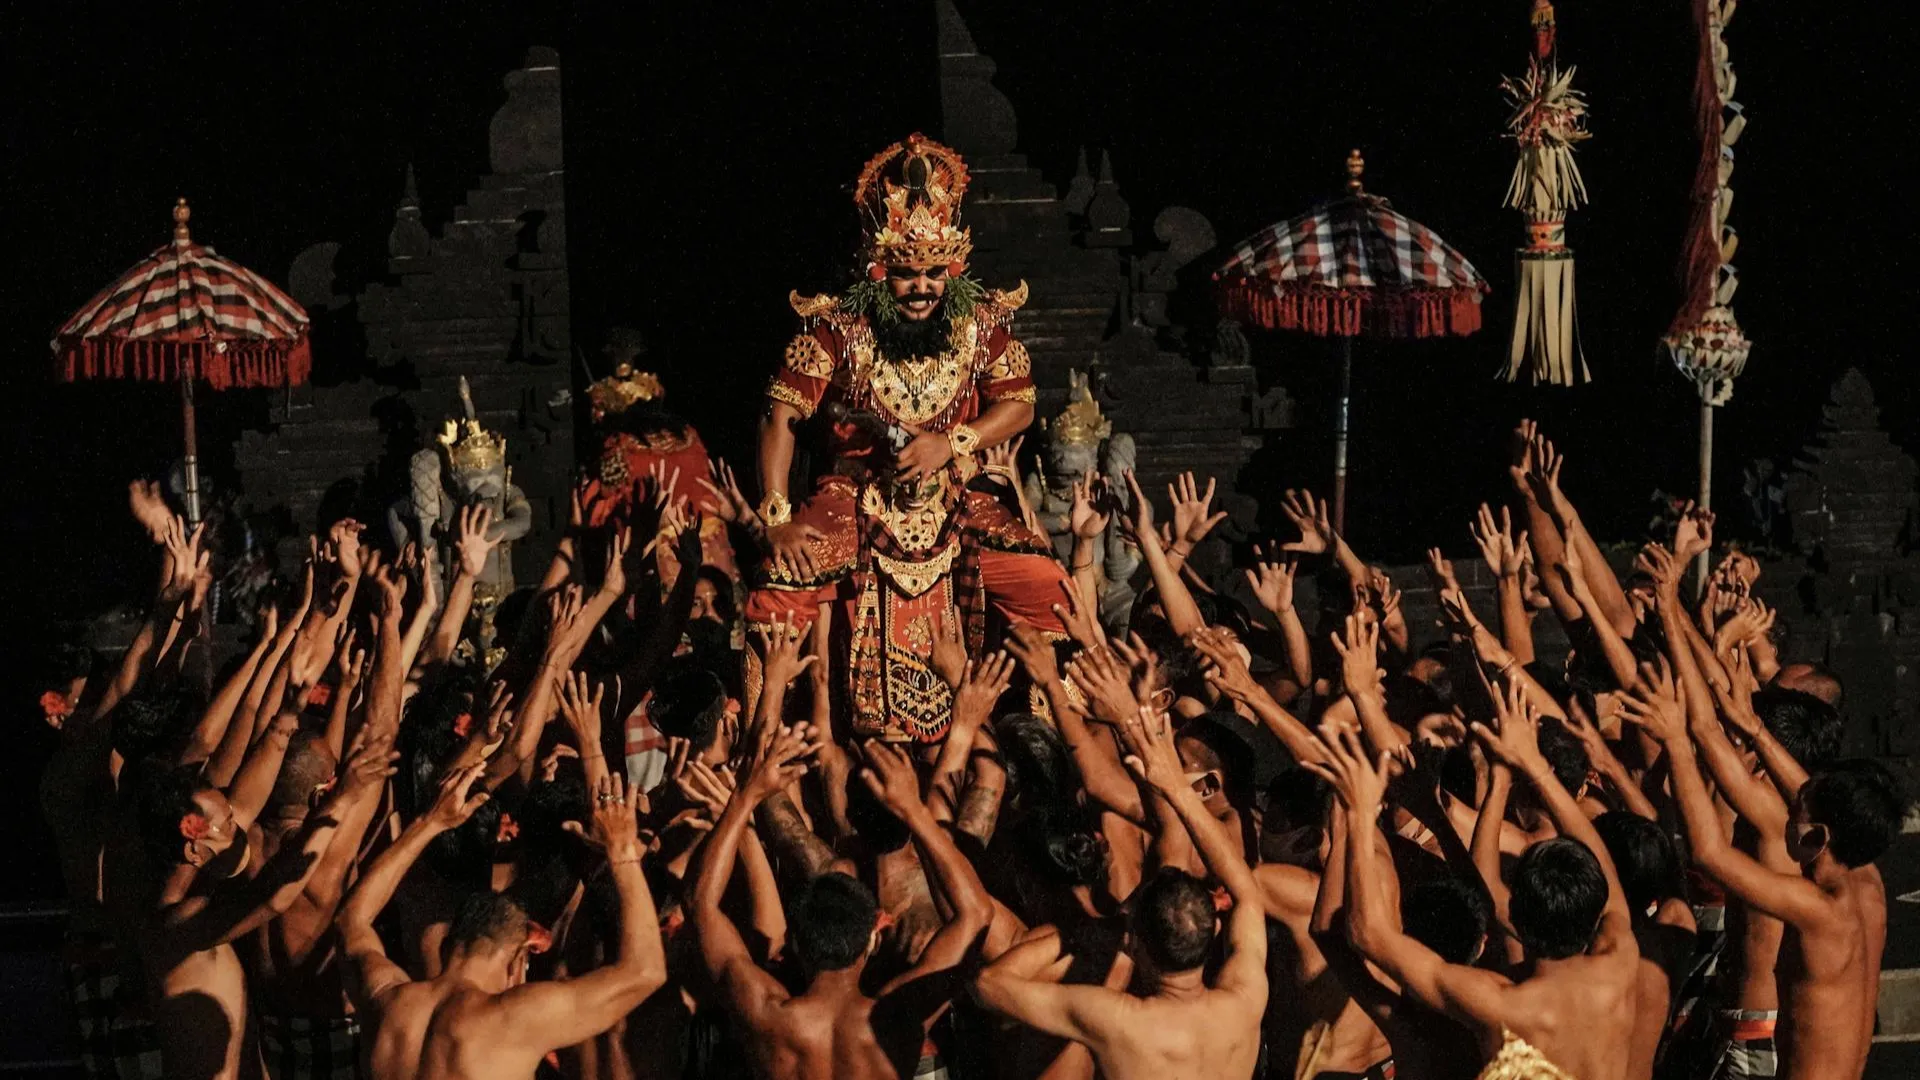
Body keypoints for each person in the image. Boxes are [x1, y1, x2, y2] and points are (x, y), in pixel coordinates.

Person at [746, 131, 1068, 742]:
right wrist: (776, 514)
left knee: (1047, 584)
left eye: (933, 273)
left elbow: (1020, 405)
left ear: (954, 270)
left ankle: (1044, 743)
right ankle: (764, 750)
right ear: (877, 272)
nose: (921, 288)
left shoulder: (981, 328)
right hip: (853, 494)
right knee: (779, 585)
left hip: (951, 497)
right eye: (904, 274)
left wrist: (955, 444)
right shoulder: (836, 330)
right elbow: (779, 416)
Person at [1320, 677, 1642, 1080]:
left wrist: (1358, 813)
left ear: (1515, 919)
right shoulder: (1620, 957)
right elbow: (1602, 870)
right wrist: (1534, 768)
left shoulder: (1499, 1005)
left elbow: (1369, 934)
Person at [692, 707, 995, 1080]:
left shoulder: (767, 1013)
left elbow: (703, 905)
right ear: (872, 939)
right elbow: (977, 914)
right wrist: (914, 811)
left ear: (798, 943)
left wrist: (744, 797)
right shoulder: (896, 1022)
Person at [971, 704, 1268, 1080]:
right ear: (1213, 931)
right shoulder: (1245, 999)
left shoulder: (1116, 1020)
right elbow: (1246, 892)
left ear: (1137, 942)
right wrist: (1177, 789)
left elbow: (989, 985)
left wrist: (1101, 934)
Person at [340, 763, 668, 1080]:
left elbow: (352, 919)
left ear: (453, 942)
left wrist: (430, 822)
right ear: (518, 958)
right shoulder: (511, 1019)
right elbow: (645, 972)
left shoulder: (388, 1001)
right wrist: (622, 850)